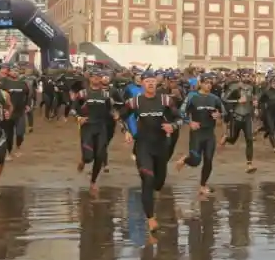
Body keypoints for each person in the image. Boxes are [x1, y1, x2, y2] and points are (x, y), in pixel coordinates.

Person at [121, 75, 180, 233]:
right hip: (143, 146)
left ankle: (151, 200)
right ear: (142, 84)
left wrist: (173, 126)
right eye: (147, 82)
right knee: (148, 179)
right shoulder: (135, 102)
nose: (151, 84)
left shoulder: (165, 101)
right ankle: (150, 218)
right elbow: (122, 116)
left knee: (158, 183)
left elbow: (180, 118)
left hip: (161, 146)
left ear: (157, 84)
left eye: (153, 81)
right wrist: (126, 131)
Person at [175, 76, 223, 196]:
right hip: (197, 133)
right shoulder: (192, 96)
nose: (209, 85)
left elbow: (221, 118)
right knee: (196, 161)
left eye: (210, 83)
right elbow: (180, 112)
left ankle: (202, 185)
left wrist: (218, 117)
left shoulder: (215, 98)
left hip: (209, 134)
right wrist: (189, 122)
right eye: (206, 83)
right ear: (200, 83)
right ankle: (185, 159)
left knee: (208, 160)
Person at [76, 71, 118, 194]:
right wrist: (78, 118)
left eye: (98, 77)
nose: (96, 79)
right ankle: (84, 160)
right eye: (94, 77)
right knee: (89, 157)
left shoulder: (105, 95)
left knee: (100, 155)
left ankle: (93, 181)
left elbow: (110, 110)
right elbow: (73, 108)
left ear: (100, 79)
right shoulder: (83, 94)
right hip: (87, 128)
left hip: (101, 128)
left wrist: (115, 115)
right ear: (90, 79)